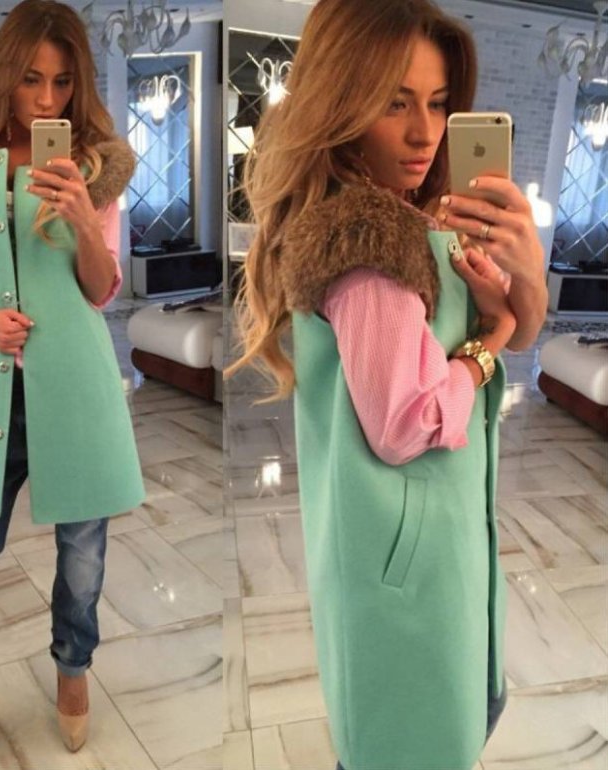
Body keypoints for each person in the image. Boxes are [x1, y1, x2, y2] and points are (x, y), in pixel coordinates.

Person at [227, 0, 547, 768]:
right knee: (415, 736)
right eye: (395, 103)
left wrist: (523, 279)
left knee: (439, 718)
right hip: (408, 560)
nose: (424, 132)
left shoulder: (417, 217)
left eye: (438, 103)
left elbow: (518, 327)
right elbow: (407, 423)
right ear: (342, 103)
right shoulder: (368, 242)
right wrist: (486, 343)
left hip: (426, 539)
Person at [0, 1, 145, 766]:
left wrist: (83, 217)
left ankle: (72, 671)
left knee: (83, 556)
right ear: (4, 75)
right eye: (31, 79)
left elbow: (101, 288)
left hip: (73, 389)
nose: (47, 98)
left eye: (62, 81)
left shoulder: (96, 164)